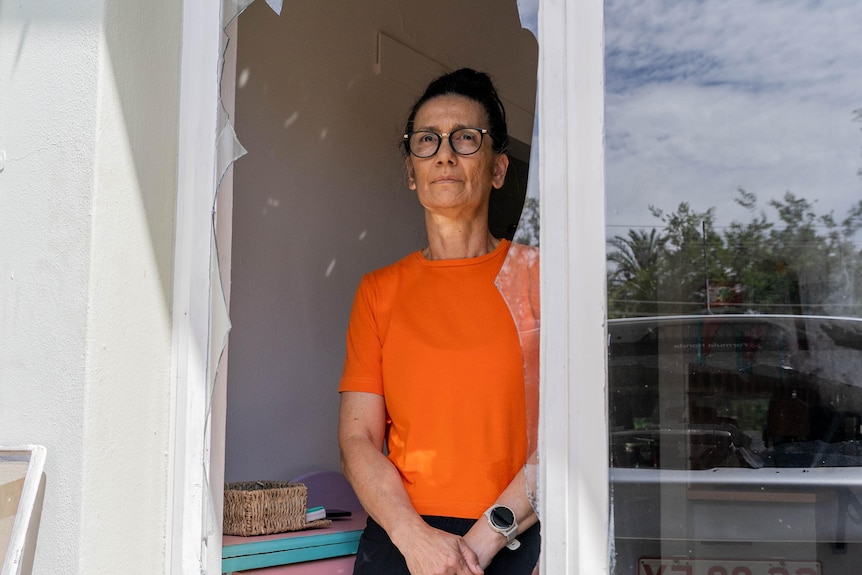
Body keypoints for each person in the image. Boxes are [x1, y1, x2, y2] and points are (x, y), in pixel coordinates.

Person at [338, 68, 540, 575]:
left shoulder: (542, 279)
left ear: (498, 168)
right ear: (412, 172)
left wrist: (479, 544)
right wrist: (414, 539)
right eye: (427, 140)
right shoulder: (379, 291)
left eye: (466, 138)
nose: (444, 154)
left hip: (518, 535)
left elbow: (569, 436)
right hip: (402, 541)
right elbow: (358, 438)